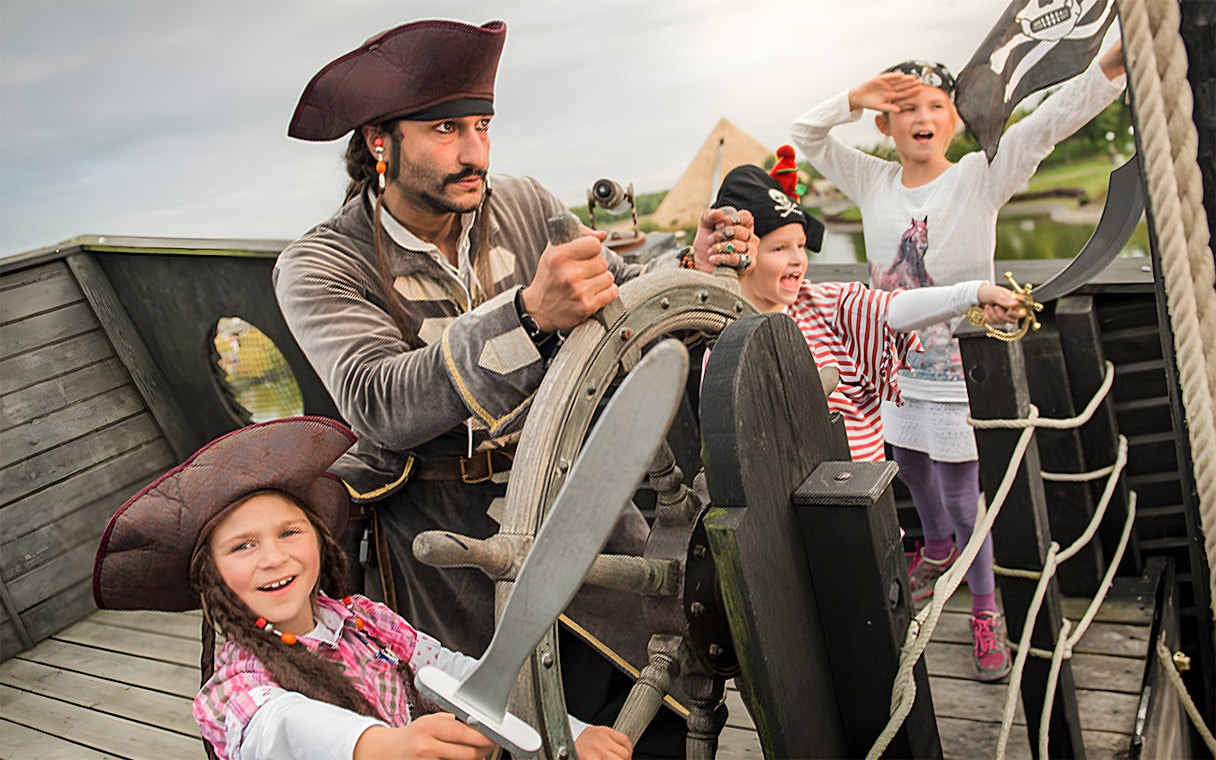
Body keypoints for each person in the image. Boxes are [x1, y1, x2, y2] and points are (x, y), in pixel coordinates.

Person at [272, 18, 747, 752]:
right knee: (505, 733)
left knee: (647, 724)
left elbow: (620, 302)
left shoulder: (523, 203)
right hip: (453, 563)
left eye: (483, 126)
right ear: (378, 142)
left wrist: (693, 263)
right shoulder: (319, 264)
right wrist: (527, 319)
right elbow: (378, 401)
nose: (474, 153)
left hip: (586, 518)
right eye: (446, 130)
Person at [790, 42, 1127, 681]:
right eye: (905, 107)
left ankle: (983, 605)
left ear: (953, 119)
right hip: (893, 365)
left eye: (937, 105)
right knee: (911, 472)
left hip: (961, 372)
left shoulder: (981, 174)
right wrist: (857, 98)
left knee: (964, 497)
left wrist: (1108, 68)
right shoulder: (871, 178)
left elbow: (1046, 125)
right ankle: (936, 548)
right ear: (886, 125)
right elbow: (806, 133)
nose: (923, 116)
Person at [92, 417, 633, 760]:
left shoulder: (364, 619)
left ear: (321, 542)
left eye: (289, 532)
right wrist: (383, 746)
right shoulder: (233, 687)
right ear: (210, 575)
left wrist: (566, 729)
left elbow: (454, 676)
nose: (274, 557)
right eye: (243, 546)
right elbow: (281, 727)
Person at [690, 162, 1025, 463]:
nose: (797, 259)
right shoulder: (723, 334)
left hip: (861, 493)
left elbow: (894, 308)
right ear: (744, 257)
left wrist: (973, 293)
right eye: (779, 248)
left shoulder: (825, 303)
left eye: (801, 246)